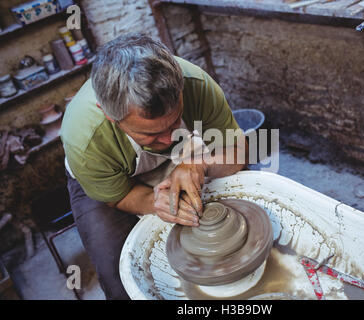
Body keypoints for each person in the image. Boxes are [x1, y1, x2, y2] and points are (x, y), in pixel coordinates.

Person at [60, 33, 248, 299]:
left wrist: (200, 164)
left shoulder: (196, 84)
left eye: (174, 123)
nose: (169, 138)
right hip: (115, 183)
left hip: (190, 153)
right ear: (109, 115)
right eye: (151, 135)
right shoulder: (85, 136)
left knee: (249, 209)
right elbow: (120, 197)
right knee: (118, 275)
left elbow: (236, 151)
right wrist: (155, 202)